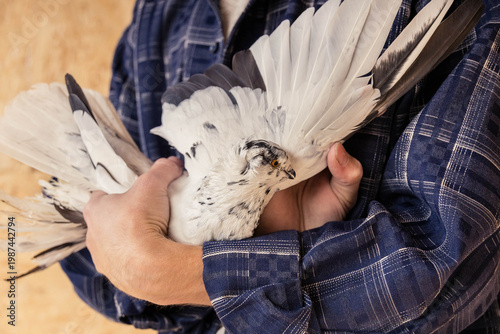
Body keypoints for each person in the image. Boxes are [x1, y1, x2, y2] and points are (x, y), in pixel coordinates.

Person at [60, 0, 500, 333]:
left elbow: (442, 274)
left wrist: (172, 272)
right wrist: (290, 245)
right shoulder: (164, 12)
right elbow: (94, 255)